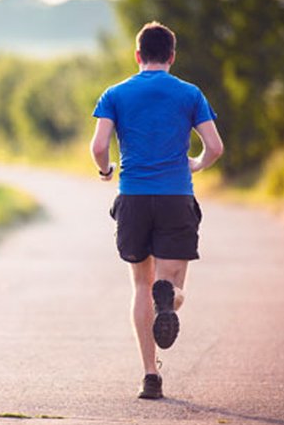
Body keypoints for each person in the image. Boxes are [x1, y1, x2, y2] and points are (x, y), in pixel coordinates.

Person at [89, 21, 224, 400]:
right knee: (171, 286)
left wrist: (105, 171)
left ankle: (150, 376)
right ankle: (171, 300)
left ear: (137, 56)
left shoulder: (115, 93)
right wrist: (196, 163)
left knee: (140, 285)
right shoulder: (189, 93)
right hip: (174, 197)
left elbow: (99, 146)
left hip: (133, 197)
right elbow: (214, 147)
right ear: (172, 56)